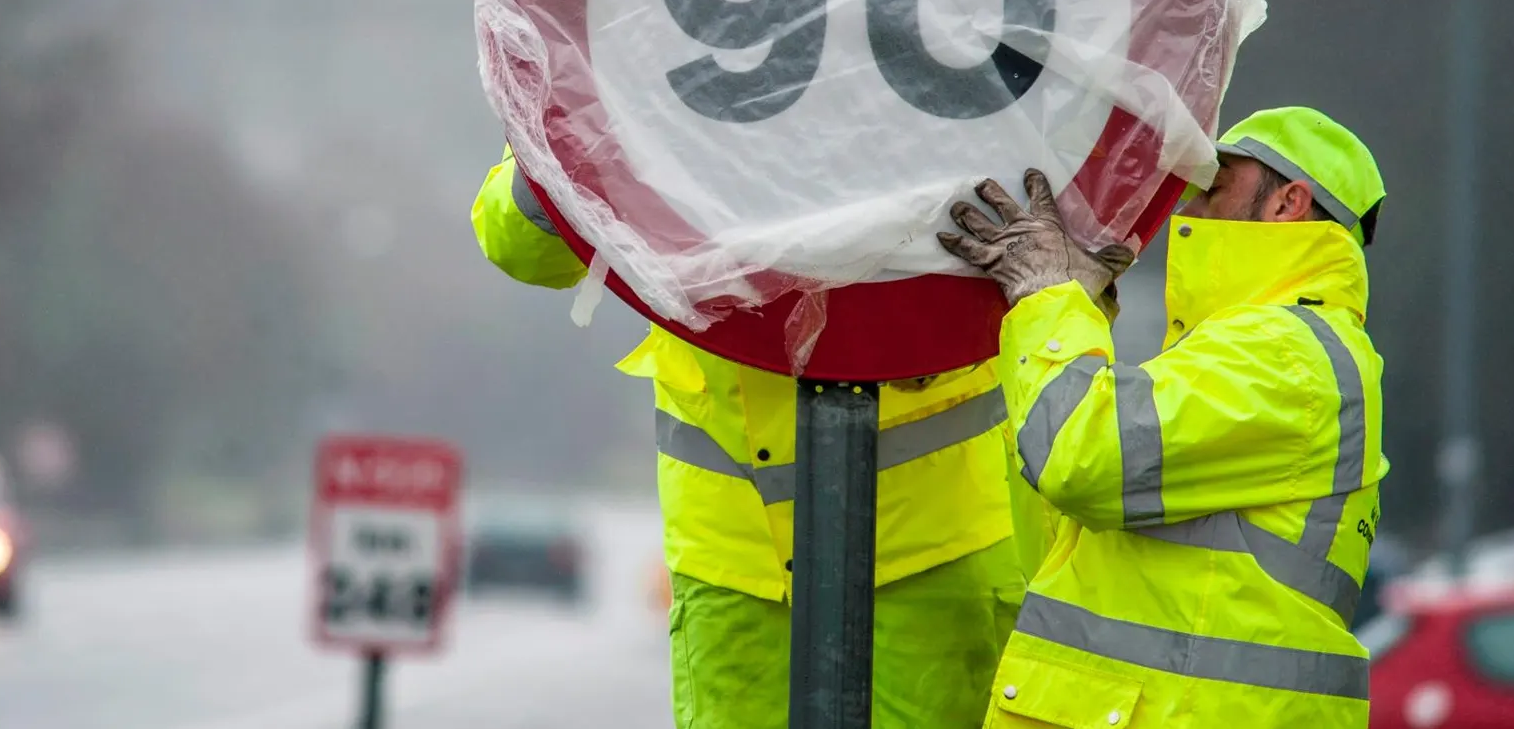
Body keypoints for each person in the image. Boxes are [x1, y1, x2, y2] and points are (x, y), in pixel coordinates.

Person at [473, 144, 1025, 728]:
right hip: (736, 562)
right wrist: (567, 137)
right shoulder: (608, 59)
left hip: (938, 545)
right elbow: (525, 251)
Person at [939, 105, 1388, 728]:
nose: (1186, 211)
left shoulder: (1287, 352)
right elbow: (1067, 541)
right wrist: (1081, 311)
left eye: (1214, 187)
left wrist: (1048, 297)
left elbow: (1077, 457)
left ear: (1288, 203)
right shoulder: (1258, 346)